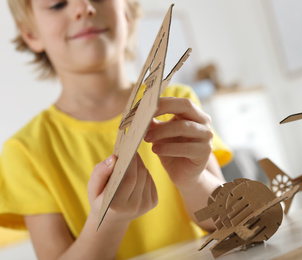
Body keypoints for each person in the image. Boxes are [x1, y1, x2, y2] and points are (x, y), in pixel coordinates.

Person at [0, 0, 232, 259]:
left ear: (129, 14)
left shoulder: (178, 103)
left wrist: (194, 180)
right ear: (31, 34)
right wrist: (107, 220)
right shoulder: (24, 151)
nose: (84, 8)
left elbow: (227, 223)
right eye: (57, 4)